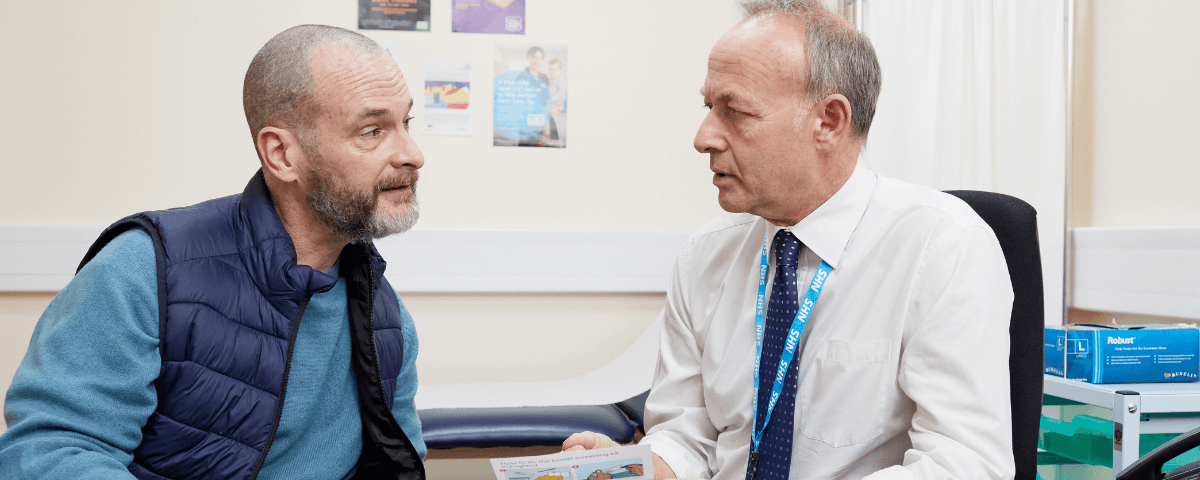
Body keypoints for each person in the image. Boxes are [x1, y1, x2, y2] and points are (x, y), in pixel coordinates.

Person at [563, 1, 1015, 479]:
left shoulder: (941, 247)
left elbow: (965, 464)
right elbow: (686, 437)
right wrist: (637, 469)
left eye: (734, 111)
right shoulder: (704, 258)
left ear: (829, 121)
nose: (703, 137)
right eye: (708, 107)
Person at [0, 25, 427, 479]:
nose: (413, 153)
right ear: (282, 154)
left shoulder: (388, 320)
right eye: (373, 130)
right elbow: (49, 451)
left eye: (407, 124)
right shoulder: (145, 271)